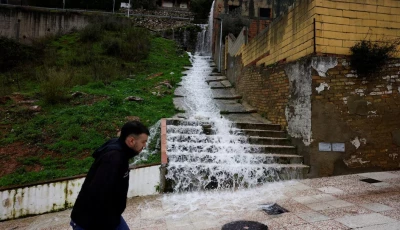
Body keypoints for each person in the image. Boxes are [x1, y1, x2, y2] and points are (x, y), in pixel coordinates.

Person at [70, 121, 149, 230]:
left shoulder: (120, 149)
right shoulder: (114, 158)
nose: (144, 145)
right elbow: (97, 193)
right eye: (143, 142)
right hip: (92, 221)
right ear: (131, 140)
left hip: (111, 216)